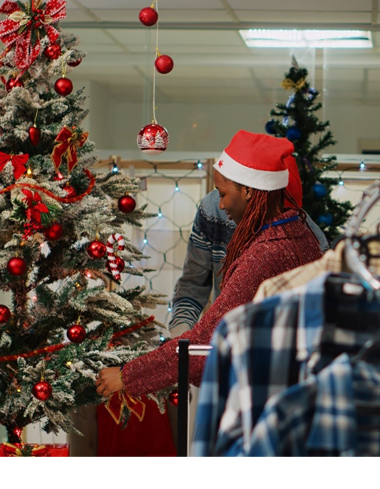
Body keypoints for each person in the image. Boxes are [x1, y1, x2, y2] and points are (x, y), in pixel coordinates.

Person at [96, 131, 325, 397]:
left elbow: (205, 344)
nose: (222, 204)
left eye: (224, 193)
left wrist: (127, 375)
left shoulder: (265, 255)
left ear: (249, 190)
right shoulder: (299, 232)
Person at [168, 156, 328, 337]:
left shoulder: (302, 235)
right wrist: (180, 337)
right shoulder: (214, 209)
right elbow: (193, 283)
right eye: (220, 194)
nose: (222, 204)